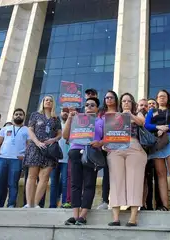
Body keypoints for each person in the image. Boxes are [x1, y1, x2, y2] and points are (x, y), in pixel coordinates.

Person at [107, 93, 147, 227]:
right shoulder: (114, 116)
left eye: (128, 101)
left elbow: (142, 122)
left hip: (134, 146)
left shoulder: (137, 113)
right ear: (120, 103)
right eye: (124, 101)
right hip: (116, 147)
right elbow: (108, 133)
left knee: (134, 180)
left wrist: (130, 115)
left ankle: (133, 217)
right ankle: (115, 218)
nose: (126, 103)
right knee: (116, 180)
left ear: (132, 103)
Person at [63, 97, 104, 225]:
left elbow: (107, 138)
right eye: (87, 105)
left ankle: (83, 215)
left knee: (89, 184)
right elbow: (65, 136)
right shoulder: (76, 119)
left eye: (92, 105)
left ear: (97, 108)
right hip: (76, 152)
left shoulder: (101, 121)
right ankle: (75, 215)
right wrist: (69, 118)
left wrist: (99, 143)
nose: (89, 107)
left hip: (91, 153)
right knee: (75, 184)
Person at [145, 89, 170, 211]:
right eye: (159, 96)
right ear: (157, 99)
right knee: (160, 174)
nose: (162, 98)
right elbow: (147, 125)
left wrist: (167, 128)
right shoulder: (152, 111)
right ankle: (165, 206)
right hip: (157, 141)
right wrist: (158, 127)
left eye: (164, 96)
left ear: (168, 98)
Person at [24, 95, 62, 208]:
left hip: (50, 149)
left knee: (44, 177)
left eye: (51, 100)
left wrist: (54, 139)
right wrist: (37, 142)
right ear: (43, 102)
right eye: (46, 100)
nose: (48, 102)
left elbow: (60, 133)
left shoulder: (56, 118)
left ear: (53, 103)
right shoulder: (35, 115)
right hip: (36, 147)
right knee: (32, 175)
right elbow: (30, 130)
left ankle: (35, 204)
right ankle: (29, 204)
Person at [0, 109, 29, 208]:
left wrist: (25, 156)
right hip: (2, 158)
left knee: (13, 184)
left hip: (17, 160)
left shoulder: (27, 130)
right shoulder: (5, 128)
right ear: (13, 116)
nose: (18, 116)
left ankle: (11, 204)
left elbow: (29, 145)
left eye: (20, 114)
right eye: (16, 114)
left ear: (24, 117)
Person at [96, 90, 119, 210]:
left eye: (111, 97)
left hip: (118, 148)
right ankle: (105, 200)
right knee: (106, 175)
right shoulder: (101, 114)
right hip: (104, 148)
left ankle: (119, 201)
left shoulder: (120, 113)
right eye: (106, 98)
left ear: (115, 99)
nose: (108, 99)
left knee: (118, 175)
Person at [49, 107, 71, 208]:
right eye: (64, 111)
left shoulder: (72, 126)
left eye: (68, 112)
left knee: (65, 182)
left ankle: (64, 203)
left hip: (67, 159)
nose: (65, 114)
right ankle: (52, 205)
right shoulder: (55, 125)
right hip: (54, 159)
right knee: (53, 183)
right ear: (60, 112)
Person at [0, 122, 13, 207]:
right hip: (0, 161)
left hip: (11, 161)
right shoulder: (0, 137)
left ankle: (5, 204)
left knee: (9, 184)